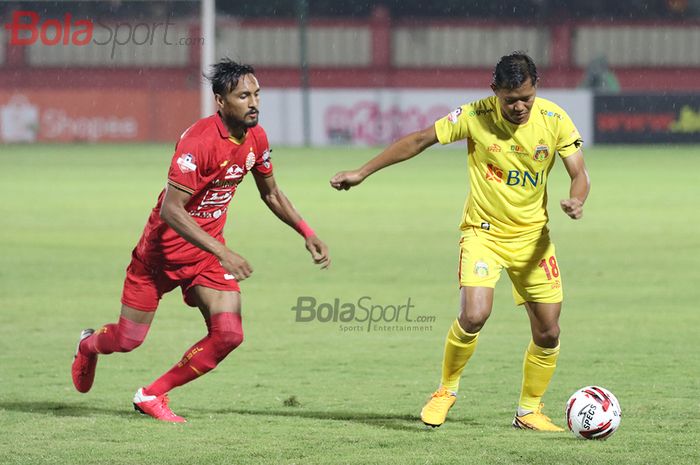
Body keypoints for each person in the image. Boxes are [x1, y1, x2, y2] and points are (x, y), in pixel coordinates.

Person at [330, 52, 589, 431]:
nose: (518, 107)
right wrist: (362, 172)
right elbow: (419, 140)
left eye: (526, 98)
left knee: (549, 331)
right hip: (483, 234)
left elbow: (579, 172)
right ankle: (445, 391)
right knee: (474, 314)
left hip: (534, 241)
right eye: (509, 99)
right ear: (494, 92)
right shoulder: (474, 115)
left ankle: (528, 410)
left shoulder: (554, 119)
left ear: (537, 89)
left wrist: (577, 199)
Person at [72, 59, 330, 423]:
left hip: (205, 258)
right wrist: (224, 251)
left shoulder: (257, 138)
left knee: (229, 334)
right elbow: (171, 211)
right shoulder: (199, 142)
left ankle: (151, 394)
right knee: (127, 340)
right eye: (243, 96)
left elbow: (271, 194)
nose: (254, 102)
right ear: (221, 101)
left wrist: (308, 232)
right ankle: (88, 344)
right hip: (157, 258)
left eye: (257, 94)